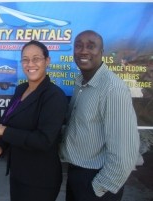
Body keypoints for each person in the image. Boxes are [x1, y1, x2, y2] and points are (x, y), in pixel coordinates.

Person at [0, 40, 68, 201]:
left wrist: (2, 131)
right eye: (25, 59)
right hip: (18, 175)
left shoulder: (54, 96)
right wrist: (0, 146)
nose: (30, 64)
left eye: (36, 58)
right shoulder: (21, 89)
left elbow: (43, 140)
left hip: (40, 180)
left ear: (47, 61)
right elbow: (10, 125)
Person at [60, 30, 140, 201]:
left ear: (101, 52)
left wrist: (99, 188)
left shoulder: (113, 89)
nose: (83, 51)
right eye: (79, 46)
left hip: (97, 183)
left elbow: (125, 153)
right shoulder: (80, 82)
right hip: (76, 175)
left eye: (91, 46)